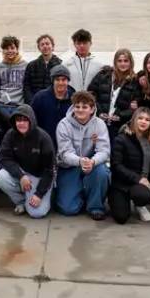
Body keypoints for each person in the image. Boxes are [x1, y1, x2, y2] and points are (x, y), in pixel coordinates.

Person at [55, 91, 111, 220]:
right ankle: (80, 194)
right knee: (68, 209)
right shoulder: (63, 125)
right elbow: (65, 153)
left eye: (84, 107)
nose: (80, 110)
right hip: (69, 166)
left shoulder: (99, 124)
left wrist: (92, 161)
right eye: (77, 106)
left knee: (102, 172)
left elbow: (104, 151)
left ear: (92, 109)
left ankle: (95, 206)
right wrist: (80, 161)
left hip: (92, 164)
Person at [0, 105, 56, 218]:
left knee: (37, 213)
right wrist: (21, 176)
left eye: (25, 120)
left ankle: (42, 196)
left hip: (40, 176)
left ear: (31, 121)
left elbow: (50, 170)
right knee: (1, 176)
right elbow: (4, 158)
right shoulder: (10, 135)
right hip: (22, 174)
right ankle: (22, 201)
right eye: (18, 120)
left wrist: (39, 194)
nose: (21, 123)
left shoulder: (43, 137)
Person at [109, 107, 150, 224]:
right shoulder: (122, 138)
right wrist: (138, 179)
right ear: (134, 119)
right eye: (140, 118)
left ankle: (139, 204)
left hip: (140, 184)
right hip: (121, 182)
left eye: (147, 119)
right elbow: (116, 165)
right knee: (121, 218)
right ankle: (115, 197)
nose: (143, 122)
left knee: (143, 196)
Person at [89, 47, 141, 136]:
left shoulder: (135, 81)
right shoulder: (104, 75)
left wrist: (120, 116)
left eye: (126, 61)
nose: (122, 64)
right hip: (99, 124)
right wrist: (99, 112)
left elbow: (135, 106)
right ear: (115, 62)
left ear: (130, 62)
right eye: (119, 61)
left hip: (120, 128)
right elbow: (91, 94)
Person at [31, 64, 75, 148]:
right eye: (57, 80)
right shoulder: (40, 97)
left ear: (68, 81)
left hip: (68, 143)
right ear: (52, 81)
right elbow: (32, 119)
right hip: (44, 142)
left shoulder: (74, 98)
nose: (61, 83)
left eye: (64, 79)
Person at [23, 33, 62, 104]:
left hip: (53, 102)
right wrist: (31, 102)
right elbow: (26, 86)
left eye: (47, 44)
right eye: (42, 44)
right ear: (39, 48)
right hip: (35, 102)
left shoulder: (60, 65)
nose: (45, 46)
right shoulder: (31, 65)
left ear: (52, 46)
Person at [0, 35, 28, 115]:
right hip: (2, 105)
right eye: (6, 48)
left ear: (17, 50)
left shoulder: (25, 65)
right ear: (3, 50)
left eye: (12, 48)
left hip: (19, 105)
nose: (10, 51)